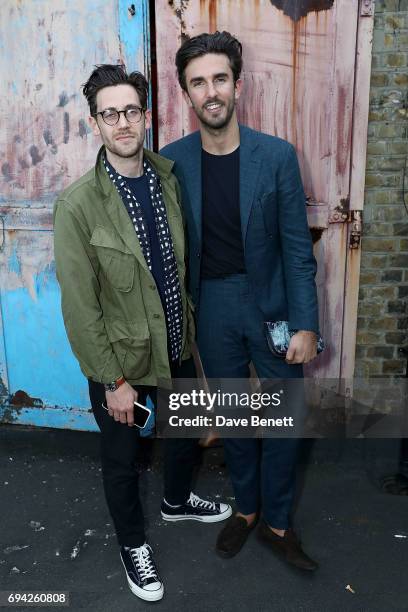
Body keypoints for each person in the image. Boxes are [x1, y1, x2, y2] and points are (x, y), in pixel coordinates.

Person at [53, 64, 231, 603]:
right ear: (95, 123)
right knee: (122, 460)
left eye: (131, 110)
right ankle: (134, 546)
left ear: (145, 115)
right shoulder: (78, 205)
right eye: (110, 113)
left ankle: (176, 501)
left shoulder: (168, 177)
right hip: (123, 361)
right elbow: (81, 309)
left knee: (181, 437)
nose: (123, 122)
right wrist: (112, 380)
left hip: (175, 341)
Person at [161, 32, 320, 571]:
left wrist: (307, 325)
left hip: (272, 305)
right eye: (198, 82)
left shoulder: (275, 156)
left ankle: (278, 522)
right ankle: (246, 509)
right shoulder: (173, 162)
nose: (211, 91)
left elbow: (298, 251)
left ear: (238, 84)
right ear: (187, 93)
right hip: (214, 306)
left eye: (220, 78)